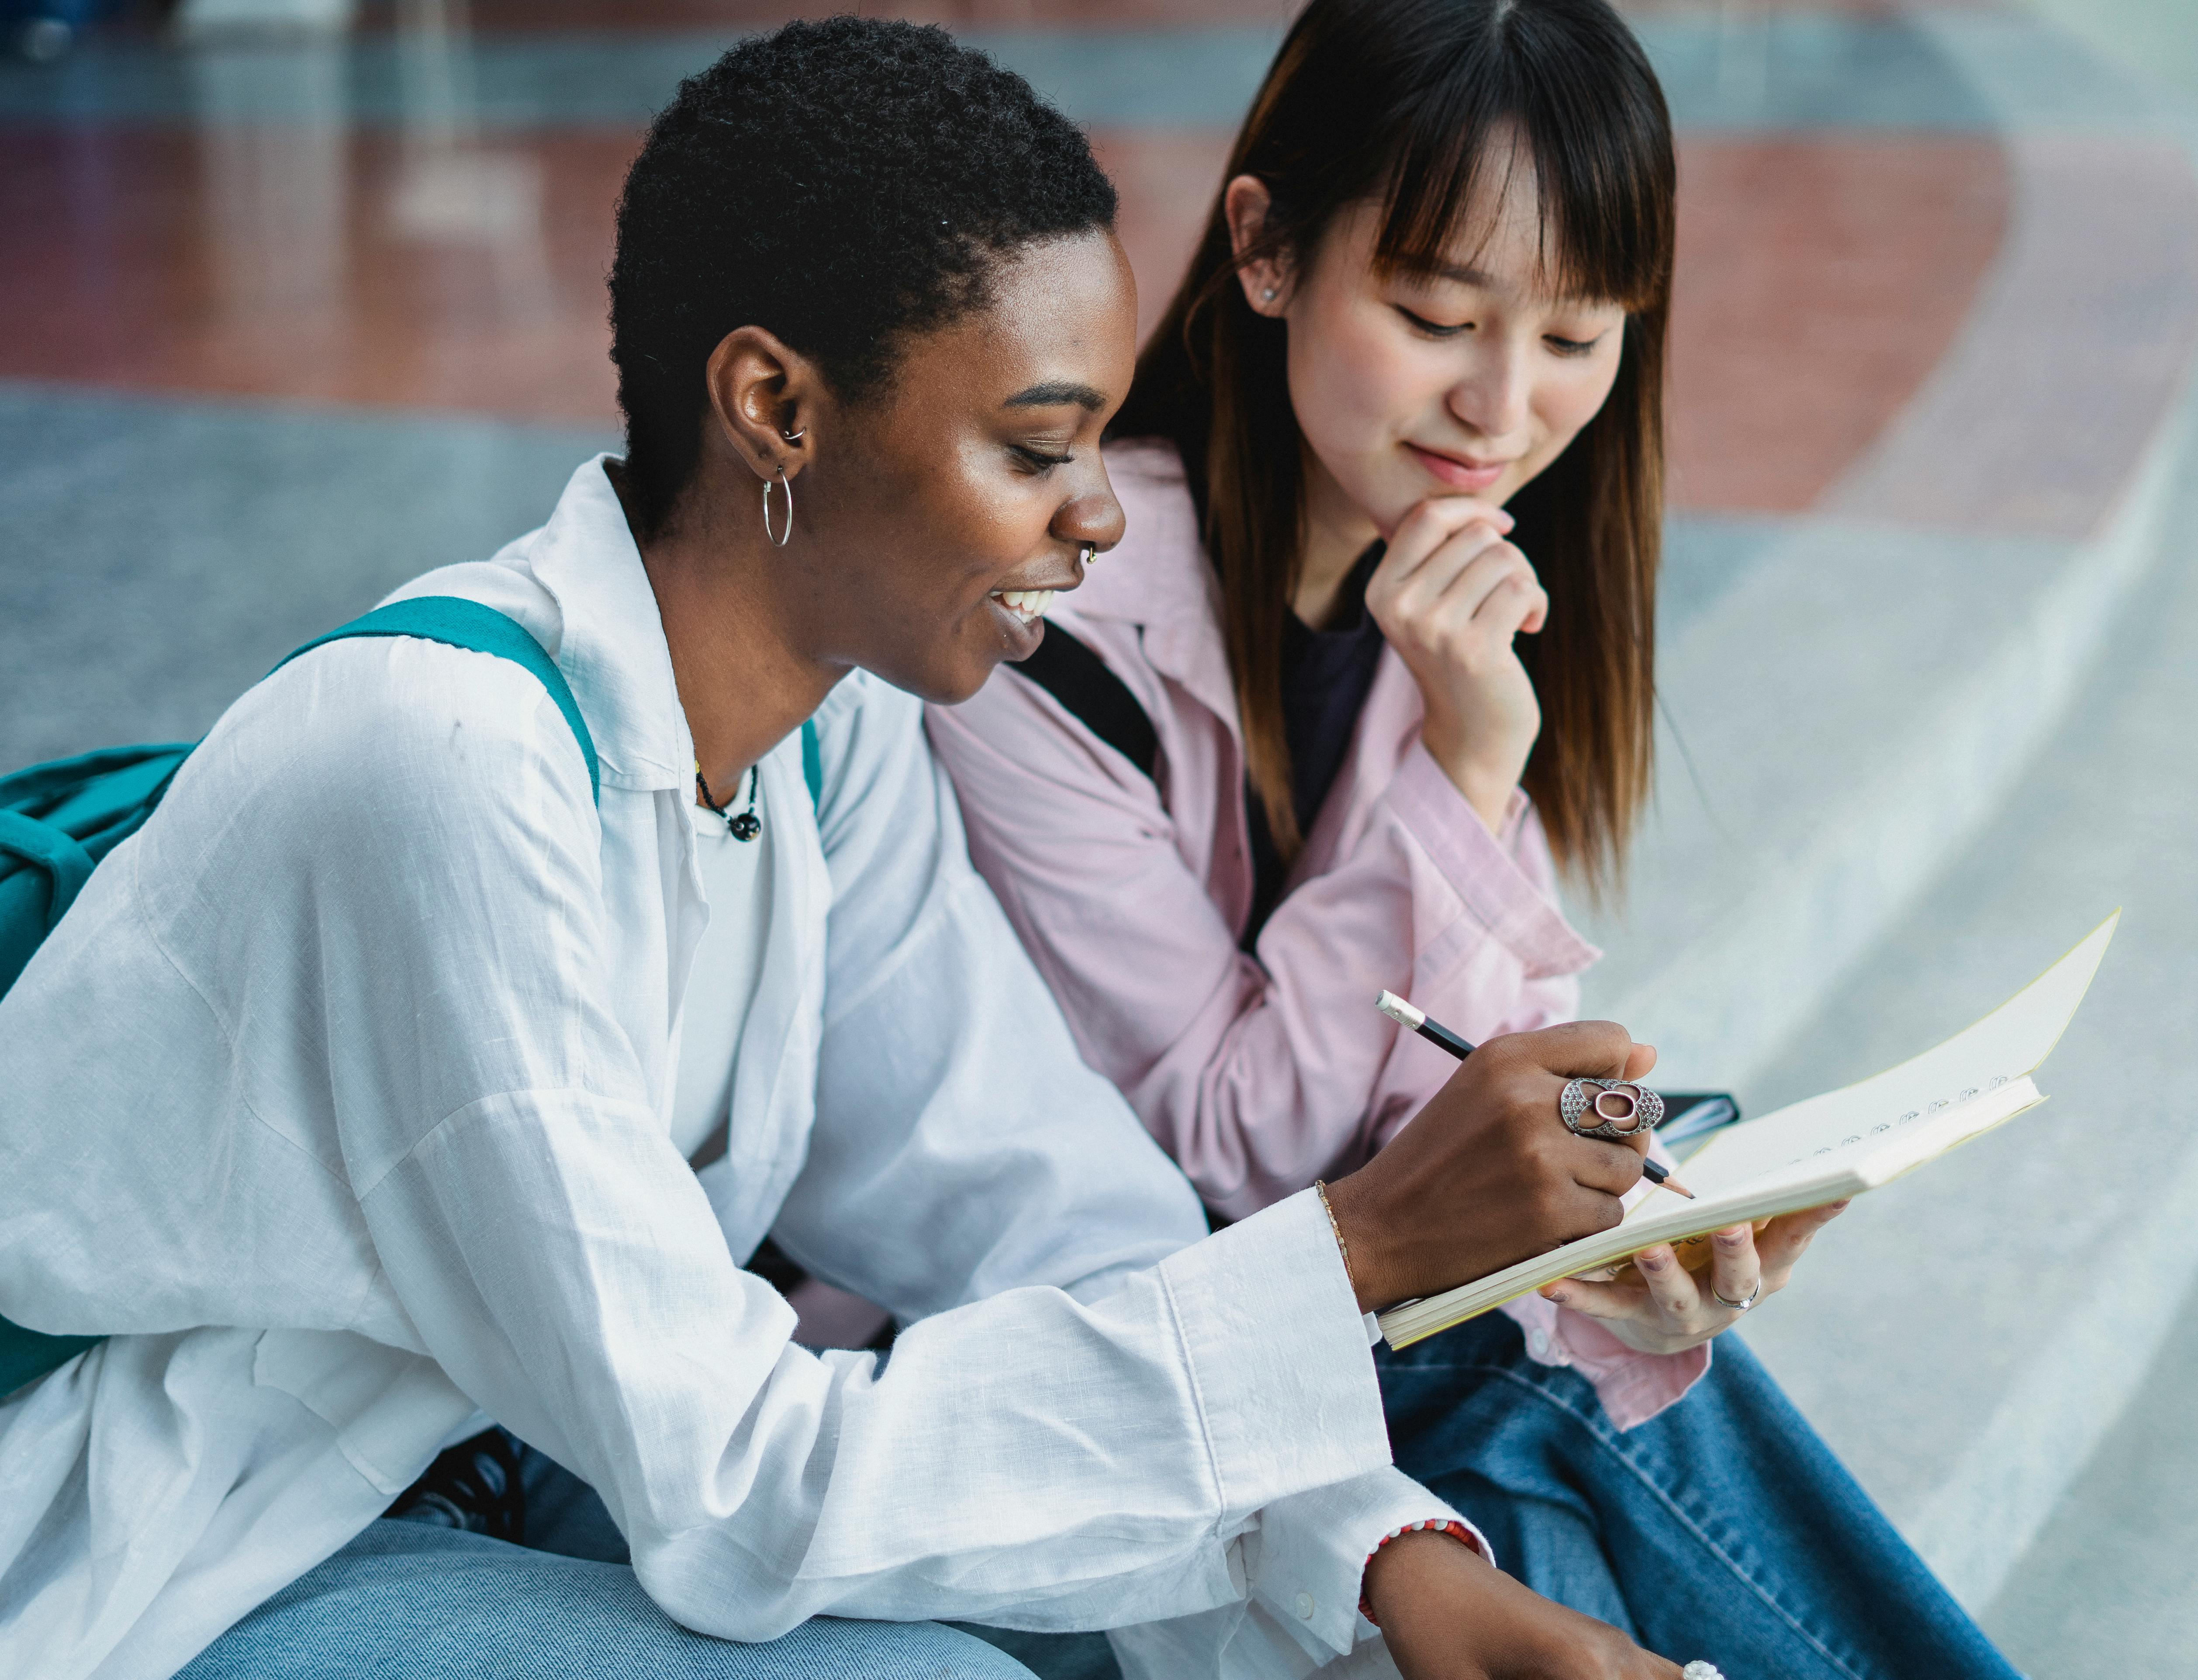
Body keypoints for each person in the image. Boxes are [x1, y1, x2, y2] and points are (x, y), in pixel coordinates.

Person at [0, 20, 1707, 1680]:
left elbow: (1038, 1211)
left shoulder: (834, 741)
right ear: (776, 409)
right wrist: (1355, 1249)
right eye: (1040, 445)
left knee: (1401, 1582)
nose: (1102, 513)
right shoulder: (444, 777)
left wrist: (1384, 1564)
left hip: (504, 1453)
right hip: (184, 1546)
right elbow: (737, 1475)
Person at [925, 2, 2026, 1676]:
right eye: (1438, 314)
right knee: (1524, 1419)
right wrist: (1461, 768)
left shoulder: (1446, 583)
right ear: (1268, 249)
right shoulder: (1039, 625)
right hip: (1063, 1351)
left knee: (1551, 1455)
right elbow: (1234, 1141)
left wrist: (1642, 1218)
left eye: (1580, 339)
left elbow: (1469, 1074)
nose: (1501, 408)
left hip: (1341, 1324)